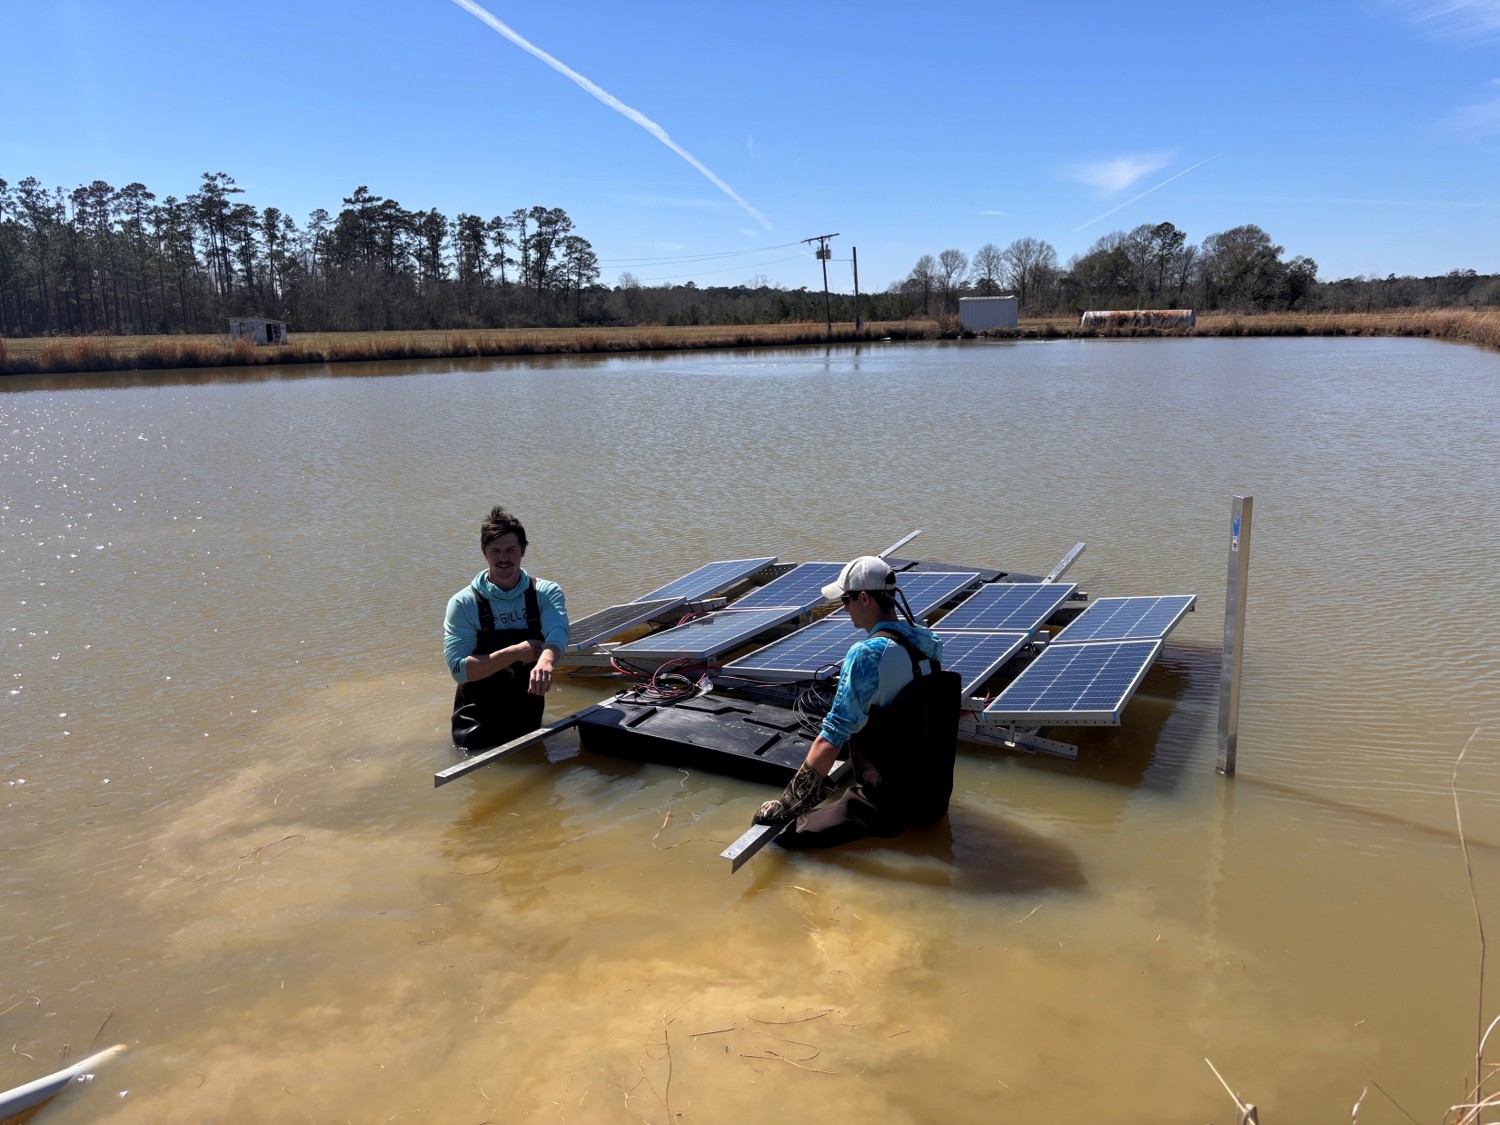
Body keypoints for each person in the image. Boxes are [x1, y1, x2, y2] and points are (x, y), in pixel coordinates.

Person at [753, 555, 960, 848]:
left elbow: (831, 738)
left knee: (780, 839)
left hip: (889, 806)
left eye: (846, 600)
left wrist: (788, 805)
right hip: (935, 799)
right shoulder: (928, 643)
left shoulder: (867, 655)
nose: (844, 608)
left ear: (864, 598)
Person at [444, 506, 569, 752]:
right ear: (485, 553)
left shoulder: (546, 592)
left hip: (528, 718)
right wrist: (515, 652)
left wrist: (546, 660)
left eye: (511, 549)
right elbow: (459, 670)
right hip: (476, 727)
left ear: (523, 550)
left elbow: (558, 631)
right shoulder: (463, 603)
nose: (504, 558)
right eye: (496, 551)